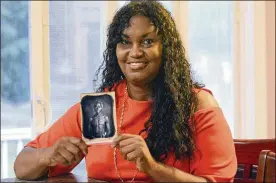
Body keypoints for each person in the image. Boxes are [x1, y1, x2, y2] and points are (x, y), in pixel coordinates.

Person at [14, 1, 237, 182]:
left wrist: (152, 168)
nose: (135, 52)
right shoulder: (98, 107)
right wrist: (48, 155)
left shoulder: (198, 105)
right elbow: (22, 165)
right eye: (125, 42)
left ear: (166, 49)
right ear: (116, 50)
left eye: (147, 41)